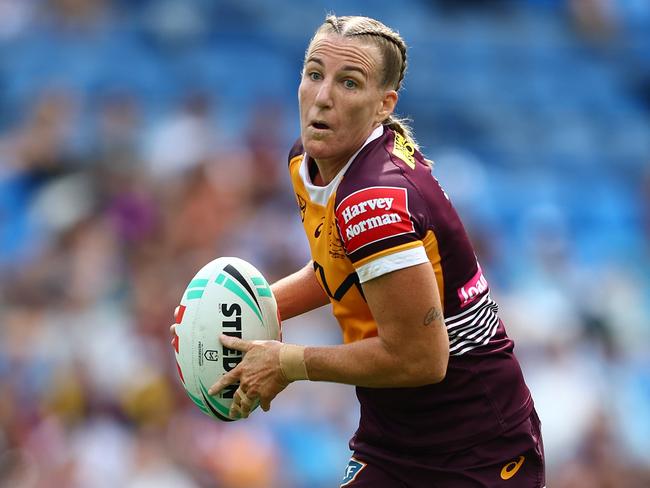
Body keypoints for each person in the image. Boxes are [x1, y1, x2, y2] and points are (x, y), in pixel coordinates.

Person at [180, 14, 545, 487]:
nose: (323, 96)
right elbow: (338, 271)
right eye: (314, 74)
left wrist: (289, 362)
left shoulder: (373, 200)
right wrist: (233, 314)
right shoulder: (310, 163)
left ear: (383, 105)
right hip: (394, 437)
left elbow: (420, 358)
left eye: (349, 83)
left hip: (476, 451)